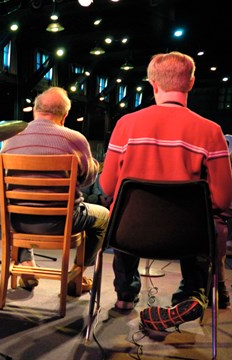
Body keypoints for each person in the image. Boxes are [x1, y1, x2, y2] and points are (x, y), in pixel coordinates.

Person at [100, 51, 232, 330]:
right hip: (188, 238)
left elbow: (107, 187)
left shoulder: (125, 125)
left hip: (128, 234)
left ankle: (125, 294)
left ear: (152, 83)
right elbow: (223, 199)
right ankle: (192, 294)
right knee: (206, 218)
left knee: (121, 211)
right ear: (192, 83)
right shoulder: (211, 131)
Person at [0, 86, 109, 294]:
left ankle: (26, 263)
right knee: (104, 216)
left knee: (15, 205)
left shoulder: (10, 138)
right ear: (64, 116)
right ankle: (77, 275)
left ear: (34, 110)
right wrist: (93, 164)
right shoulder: (73, 139)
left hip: (16, 221)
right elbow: (87, 180)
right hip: (61, 222)